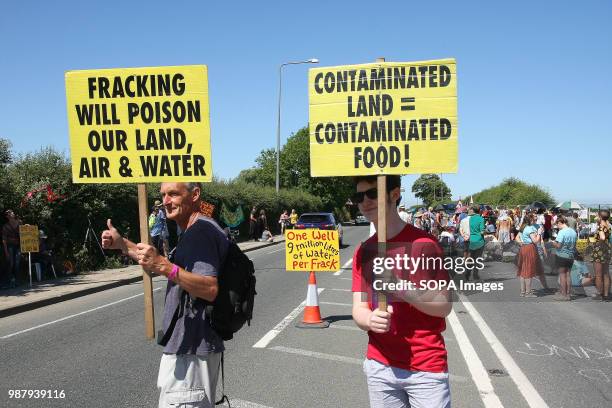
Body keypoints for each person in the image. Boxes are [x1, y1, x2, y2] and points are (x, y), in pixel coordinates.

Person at [101, 182, 228, 407]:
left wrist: (164, 266)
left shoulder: (200, 232)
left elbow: (210, 289)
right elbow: (162, 264)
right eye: (162, 195)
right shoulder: (193, 229)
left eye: (173, 194)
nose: (165, 201)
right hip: (192, 347)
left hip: (191, 350)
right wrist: (123, 244)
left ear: (195, 194)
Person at [350, 175, 451, 408]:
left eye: (373, 193)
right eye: (358, 196)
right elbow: (358, 307)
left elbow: (443, 305)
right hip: (380, 366)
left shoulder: (424, 244)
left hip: (425, 369)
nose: (365, 201)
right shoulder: (364, 251)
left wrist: (402, 289)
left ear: (394, 195)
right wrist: (369, 319)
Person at [516, 213, 544, 297]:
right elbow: (535, 241)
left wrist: (521, 243)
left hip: (524, 248)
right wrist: (539, 233)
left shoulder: (523, 227)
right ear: (530, 220)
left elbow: (517, 237)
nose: (535, 220)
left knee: (523, 270)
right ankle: (528, 292)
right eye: (534, 219)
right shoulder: (529, 229)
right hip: (530, 248)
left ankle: (523, 291)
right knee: (528, 270)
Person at [550, 215, 577, 301]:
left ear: (561, 223)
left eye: (557, 224)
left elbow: (558, 245)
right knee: (568, 275)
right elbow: (575, 245)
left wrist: (552, 242)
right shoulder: (573, 232)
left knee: (562, 275)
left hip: (562, 255)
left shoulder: (562, 232)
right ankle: (568, 294)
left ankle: (563, 294)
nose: (557, 226)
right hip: (571, 256)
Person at [591, 210, 611, 301]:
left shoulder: (601, 227)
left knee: (598, 275)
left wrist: (598, 243)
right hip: (607, 251)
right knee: (606, 273)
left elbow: (602, 237)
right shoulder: (608, 226)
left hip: (599, 252)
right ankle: (606, 294)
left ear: (600, 217)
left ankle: (599, 293)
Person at [2, 209, 22, 287]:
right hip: (10, 246)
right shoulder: (6, 226)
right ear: (7, 216)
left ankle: (17, 280)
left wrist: (27, 226)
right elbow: (4, 240)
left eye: (12, 212)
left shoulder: (19, 222)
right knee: (11, 263)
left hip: (18, 245)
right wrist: (6, 252)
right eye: (9, 213)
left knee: (17, 263)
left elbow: (24, 231)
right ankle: (10, 280)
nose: (12, 213)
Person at [467, 206, 485, 281]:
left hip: (472, 240)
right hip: (479, 240)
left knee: (471, 258)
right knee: (477, 259)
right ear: (479, 211)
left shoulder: (471, 219)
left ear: (473, 211)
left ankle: (467, 274)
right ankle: (475, 275)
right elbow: (482, 231)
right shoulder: (481, 219)